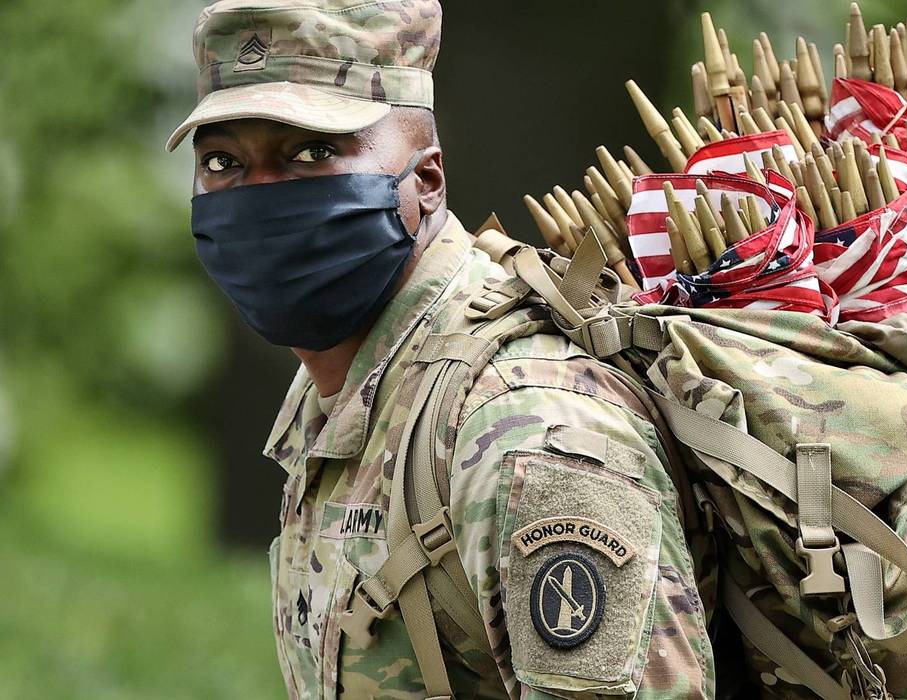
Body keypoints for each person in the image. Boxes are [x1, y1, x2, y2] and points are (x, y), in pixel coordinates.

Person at [165, 1, 713, 698]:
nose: (259, 195)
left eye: (312, 152)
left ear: (425, 181)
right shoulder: (355, 384)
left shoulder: (527, 429)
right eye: (223, 161)